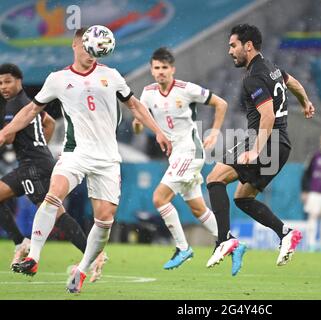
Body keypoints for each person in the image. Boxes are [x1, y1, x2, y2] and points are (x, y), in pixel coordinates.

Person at [0, 28, 171, 294]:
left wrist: (158, 130)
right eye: (88, 46)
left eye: (99, 47)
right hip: (75, 152)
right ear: (76, 45)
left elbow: (135, 105)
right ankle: (33, 256)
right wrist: (6, 131)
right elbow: (32, 110)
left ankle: (81, 270)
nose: (93, 52)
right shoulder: (58, 79)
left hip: (107, 158)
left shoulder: (111, 76)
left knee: (104, 220)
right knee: (53, 195)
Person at [205, 24, 315, 276]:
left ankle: (223, 240)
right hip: (281, 145)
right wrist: (306, 102)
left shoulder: (253, 77)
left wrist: (255, 150)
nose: (230, 51)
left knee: (214, 179)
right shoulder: (272, 68)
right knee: (243, 198)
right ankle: (286, 234)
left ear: (248, 45)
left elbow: (267, 114)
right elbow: (293, 82)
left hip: (267, 142)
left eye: (233, 45)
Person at [0, 63, 107, 282]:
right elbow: (48, 122)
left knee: (54, 214)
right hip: (34, 163)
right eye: (0, 82)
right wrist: (42, 147)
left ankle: (94, 255)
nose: (3, 86)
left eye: (8, 81)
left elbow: (8, 137)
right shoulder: (28, 103)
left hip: (32, 166)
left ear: (19, 81)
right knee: (51, 212)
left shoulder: (13, 106)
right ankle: (22, 242)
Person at [132, 47, 227, 269]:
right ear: (151, 70)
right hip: (176, 156)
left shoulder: (186, 89)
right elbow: (139, 125)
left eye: (165, 68)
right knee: (198, 209)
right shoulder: (147, 93)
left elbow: (221, 103)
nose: (161, 72)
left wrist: (214, 131)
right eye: (157, 68)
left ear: (172, 69)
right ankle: (229, 240)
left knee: (159, 198)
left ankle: (184, 248)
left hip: (190, 151)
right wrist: (138, 124)